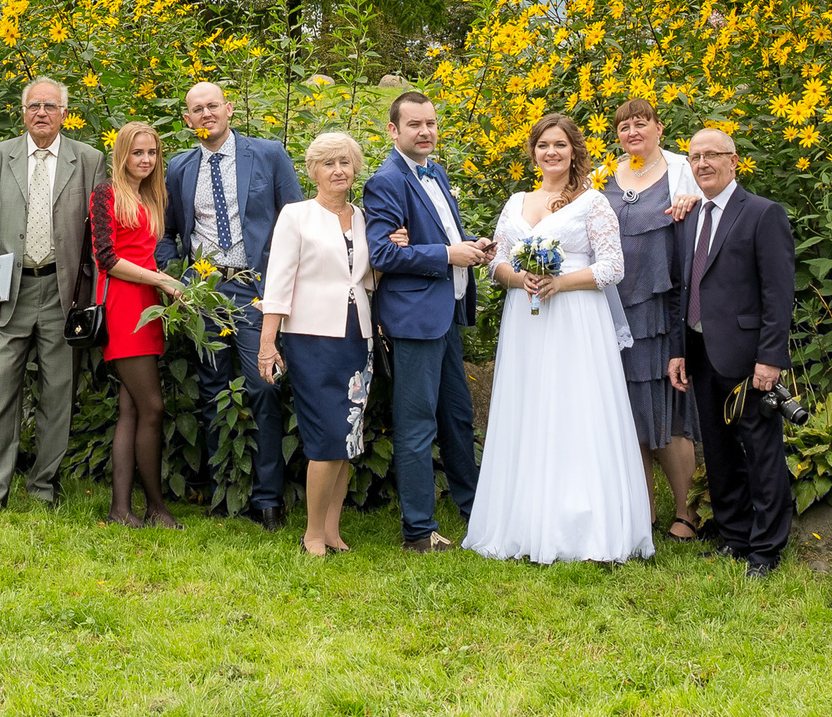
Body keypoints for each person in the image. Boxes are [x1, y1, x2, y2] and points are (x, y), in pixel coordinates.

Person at [467, 114, 652, 564]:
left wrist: (559, 283)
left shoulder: (593, 203)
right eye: (543, 145)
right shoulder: (516, 202)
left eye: (560, 145)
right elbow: (495, 264)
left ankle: (585, 524)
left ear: (574, 152)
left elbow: (613, 267)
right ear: (533, 152)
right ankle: (523, 520)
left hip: (576, 319)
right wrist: (520, 277)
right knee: (528, 407)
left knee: (576, 408)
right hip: (525, 320)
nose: (551, 152)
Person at [161, 82, 303, 530]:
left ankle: (266, 499)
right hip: (205, 291)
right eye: (196, 110)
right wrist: (179, 279)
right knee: (211, 388)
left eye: (212, 106)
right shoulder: (179, 168)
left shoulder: (267, 154)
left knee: (263, 387)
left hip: (257, 290)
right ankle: (222, 491)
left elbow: (297, 219)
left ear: (229, 109)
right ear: (187, 120)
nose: (206, 114)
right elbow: (168, 235)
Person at [0, 77, 105, 516]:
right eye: (33, 106)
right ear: (22, 113)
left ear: (65, 112)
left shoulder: (89, 160)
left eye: (50, 105)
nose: (41, 112)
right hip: (7, 292)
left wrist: (96, 296)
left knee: (57, 395)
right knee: (1, 392)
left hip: (65, 294)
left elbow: (99, 236)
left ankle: (43, 488)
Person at [661, 126, 797, 576]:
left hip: (748, 355)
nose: (702, 164)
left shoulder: (762, 213)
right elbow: (684, 288)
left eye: (712, 156)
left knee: (760, 451)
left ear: (733, 160)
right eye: (694, 157)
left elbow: (779, 294)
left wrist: (770, 358)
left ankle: (766, 548)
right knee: (717, 452)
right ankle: (736, 537)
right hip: (700, 353)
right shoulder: (690, 217)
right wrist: (680, 350)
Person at [365, 91, 493, 553]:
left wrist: (471, 246)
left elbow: (439, 237)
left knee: (458, 418)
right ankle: (418, 531)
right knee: (417, 423)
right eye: (415, 124)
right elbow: (381, 252)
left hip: (446, 316)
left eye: (431, 124)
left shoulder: (435, 172)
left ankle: (477, 509)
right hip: (416, 320)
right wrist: (446, 254)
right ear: (393, 130)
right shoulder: (386, 180)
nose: (425, 132)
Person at [258, 132, 375, 557]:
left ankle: (331, 530)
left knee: (347, 438)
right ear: (313, 172)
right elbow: (278, 281)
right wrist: (268, 343)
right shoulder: (296, 215)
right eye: (328, 164)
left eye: (344, 161)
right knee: (327, 436)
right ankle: (311, 534)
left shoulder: (363, 217)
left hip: (355, 337)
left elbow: (363, 277)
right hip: (310, 339)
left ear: (355, 167)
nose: (338, 170)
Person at [606, 98, 703, 542]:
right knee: (626, 412)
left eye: (641, 123)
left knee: (668, 408)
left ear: (660, 129)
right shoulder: (603, 178)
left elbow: (712, 210)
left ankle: (687, 510)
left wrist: (693, 199)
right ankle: (640, 510)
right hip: (611, 310)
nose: (632, 132)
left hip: (661, 308)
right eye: (624, 126)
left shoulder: (685, 172)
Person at [94, 121, 185, 529]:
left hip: (148, 305)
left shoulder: (151, 196)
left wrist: (164, 289)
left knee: (131, 408)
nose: (145, 160)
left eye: (151, 153)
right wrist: (160, 280)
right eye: (137, 153)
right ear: (121, 155)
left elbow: (148, 256)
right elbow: (107, 258)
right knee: (153, 407)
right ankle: (156, 507)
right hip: (122, 305)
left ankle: (120, 510)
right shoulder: (106, 194)